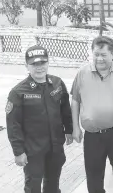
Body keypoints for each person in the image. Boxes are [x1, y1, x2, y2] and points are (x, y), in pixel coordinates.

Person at [70, 36, 113, 193]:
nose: (99, 59)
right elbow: (75, 101)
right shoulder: (82, 73)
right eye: (96, 54)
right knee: (93, 173)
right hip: (93, 135)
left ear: (112, 54)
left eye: (103, 55)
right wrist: (75, 127)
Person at [6, 45, 73, 193]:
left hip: (55, 146)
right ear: (27, 66)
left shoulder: (57, 83)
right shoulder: (18, 92)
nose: (39, 67)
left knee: (53, 183)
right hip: (33, 150)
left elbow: (65, 109)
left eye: (42, 63)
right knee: (33, 186)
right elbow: (13, 125)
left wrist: (69, 129)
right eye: (34, 64)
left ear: (48, 63)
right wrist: (18, 151)